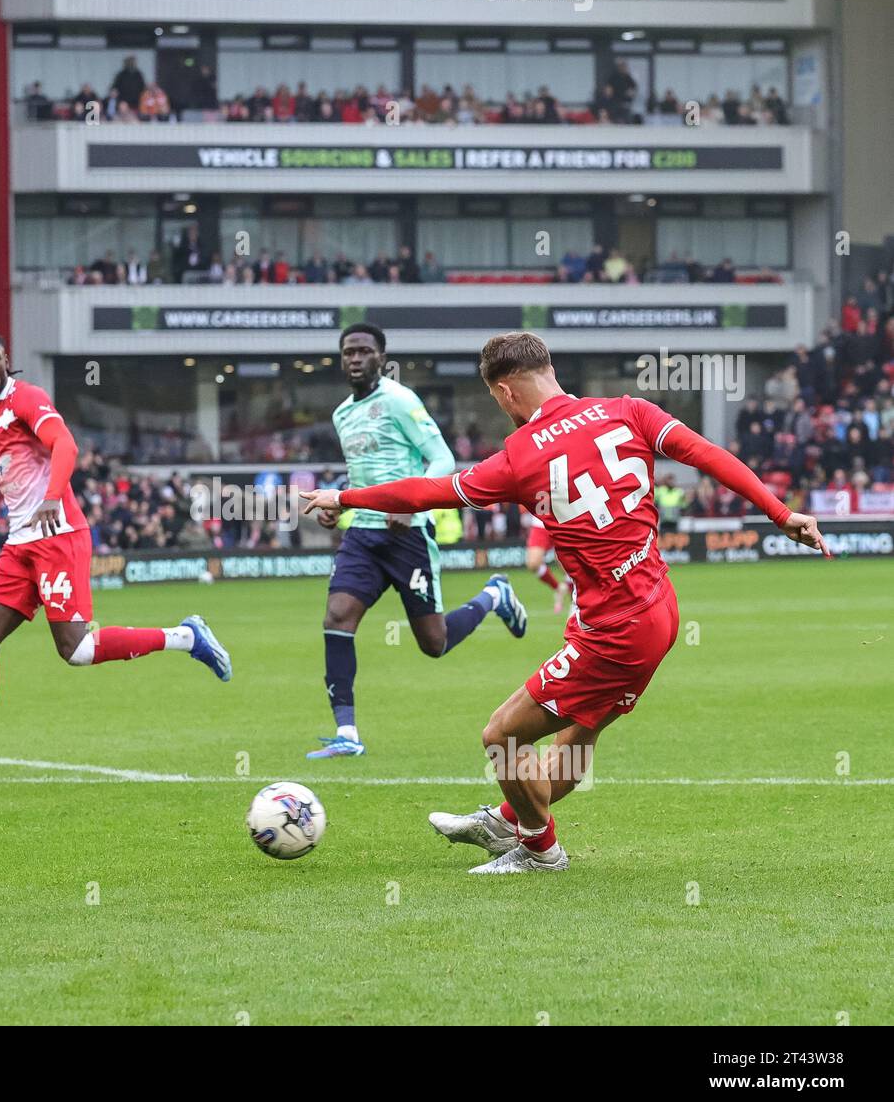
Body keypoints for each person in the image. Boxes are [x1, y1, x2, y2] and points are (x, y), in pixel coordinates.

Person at [301, 331, 827, 871]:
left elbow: (424, 493)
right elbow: (708, 455)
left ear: (505, 393)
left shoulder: (519, 457)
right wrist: (781, 513)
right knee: (578, 734)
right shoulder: (630, 409)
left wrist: (342, 497)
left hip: (615, 629)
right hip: (660, 608)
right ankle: (508, 817)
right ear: (549, 370)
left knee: (502, 734)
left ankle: (539, 849)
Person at [0, 331, 231, 786]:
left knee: (77, 650)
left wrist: (52, 496)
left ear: (7, 361)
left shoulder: (27, 398)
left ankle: (185, 636)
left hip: (58, 536)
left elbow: (66, 446)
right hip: (20, 545)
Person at [307, 323, 527, 760]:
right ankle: (347, 732)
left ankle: (493, 595)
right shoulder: (341, 413)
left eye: (364, 351)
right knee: (337, 616)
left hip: (407, 534)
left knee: (434, 642)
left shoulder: (400, 399)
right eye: (348, 351)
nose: (355, 358)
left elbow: (442, 457)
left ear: (380, 358)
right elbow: (363, 475)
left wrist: (411, 503)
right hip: (363, 534)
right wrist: (341, 506)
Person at [523, 511, 571, 614]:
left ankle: (576, 604)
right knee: (533, 563)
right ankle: (558, 588)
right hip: (541, 520)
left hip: (564, 518)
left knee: (568, 564)